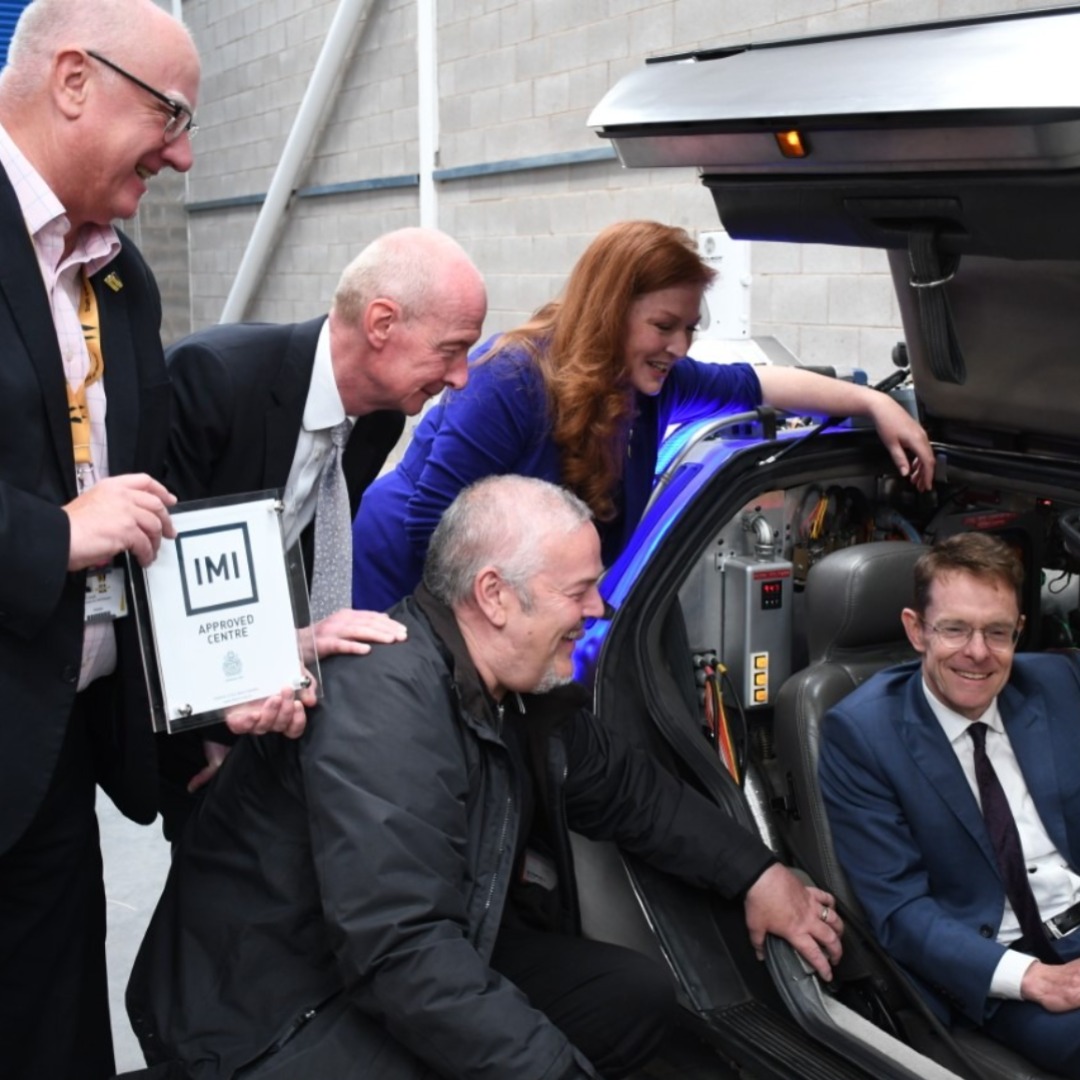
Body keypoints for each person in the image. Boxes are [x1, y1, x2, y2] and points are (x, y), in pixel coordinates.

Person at [127, 475, 844, 1080]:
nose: (599, 610)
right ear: (495, 595)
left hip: (388, 960)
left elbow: (631, 793)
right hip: (267, 1016)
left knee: (635, 996)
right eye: (582, 590)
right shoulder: (387, 704)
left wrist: (756, 874)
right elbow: (400, 953)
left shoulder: (516, 690)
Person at [351, 219, 936, 611]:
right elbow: (433, 526)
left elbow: (759, 384)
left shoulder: (653, 382)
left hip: (510, 600)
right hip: (407, 582)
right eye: (663, 326)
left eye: (689, 329)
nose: (680, 347)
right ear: (609, 312)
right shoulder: (511, 378)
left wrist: (874, 402)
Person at [0, 2, 199, 1077]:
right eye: (169, 113)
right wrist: (53, 533)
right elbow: (81, 521)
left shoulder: (121, 275)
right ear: (75, 80)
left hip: (55, 753)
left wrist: (233, 673)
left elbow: (157, 504)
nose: (182, 151)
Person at [157, 228, 487, 835]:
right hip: (186, 708)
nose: (462, 377)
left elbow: (312, 547)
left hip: (274, 699)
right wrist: (213, 722)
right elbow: (163, 582)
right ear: (381, 323)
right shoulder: (215, 380)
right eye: (452, 349)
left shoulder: (383, 414)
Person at [820, 532, 1080, 1076]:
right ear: (916, 629)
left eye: (997, 632)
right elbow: (900, 911)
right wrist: (1033, 978)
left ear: (1019, 632)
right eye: (955, 629)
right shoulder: (862, 735)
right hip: (1001, 962)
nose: (978, 652)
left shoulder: (1056, 683)